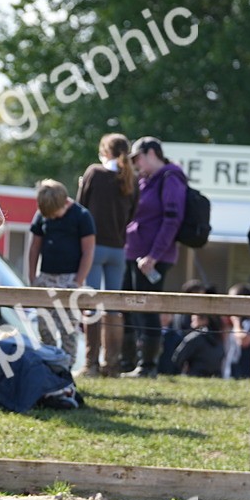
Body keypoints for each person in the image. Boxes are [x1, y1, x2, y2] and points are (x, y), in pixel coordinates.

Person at [121, 137, 188, 378]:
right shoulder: (144, 180)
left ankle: (147, 366)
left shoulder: (172, 177)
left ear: (151, 153)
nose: (135, 163)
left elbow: (172, 220)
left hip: (152, 258)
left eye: (137, 157)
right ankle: (126, 362)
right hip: (133, 253)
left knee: (146, 307)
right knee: (126, 306)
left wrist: (154, 256)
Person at [77, 133, 139, 376]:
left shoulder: (94, 172)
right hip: (118, 248)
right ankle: (111, 364)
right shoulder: (130, 179)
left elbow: (81, 206)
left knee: (91, 304)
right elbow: (132, 215)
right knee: (113, 307)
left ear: (105, 151)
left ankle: (90, 363)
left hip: (94, 246)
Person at [27, 179, 95, 367]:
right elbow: (34, 247)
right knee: (45, 327)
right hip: (46, 277)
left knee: (68, 328)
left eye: (55, 214)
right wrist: (33, 278)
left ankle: (66, 368)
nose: (53, 218)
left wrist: (78, 280)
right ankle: (49, 365)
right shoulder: (42, 215)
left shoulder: (82, 216)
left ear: (65, 202)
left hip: (69, 278)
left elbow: (88, 251)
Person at [171, 313, 226, 378]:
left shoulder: (195, 337)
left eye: (194, 317)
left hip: (194, 376)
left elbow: (177, 358)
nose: (192, 318)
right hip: (215, 378)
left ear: (205, 320)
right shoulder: (219, 337)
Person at [226, 282, 250, 379]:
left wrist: (236, 322)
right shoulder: (239, 320)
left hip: (245, 373)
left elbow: (244, 341)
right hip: (231, 371)